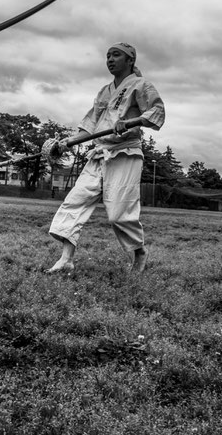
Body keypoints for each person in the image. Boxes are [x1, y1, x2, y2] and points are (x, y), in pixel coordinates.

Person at [45, 43, 165, 274]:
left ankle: (139, 252)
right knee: (75, 201)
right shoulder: (104, 91)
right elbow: (90, 126)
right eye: (108, 56)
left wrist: (131, 122)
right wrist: (66, 143)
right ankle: (66, 258)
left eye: (116, 55)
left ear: (130, 60)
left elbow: (157, 110)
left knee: (119, 213)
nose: (110, 59)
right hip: (99, 154)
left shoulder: (141, 85)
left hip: (125, 154)